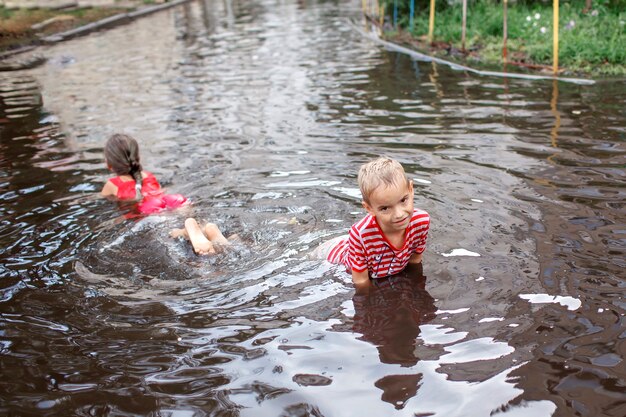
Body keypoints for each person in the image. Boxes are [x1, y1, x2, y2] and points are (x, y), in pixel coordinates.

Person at [324, 157, 430, 288]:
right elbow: (360, 282)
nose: (399, 214)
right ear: (369, 208)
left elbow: (415, 262)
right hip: (333, 255)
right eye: (385, 208)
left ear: (411, 189)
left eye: (403, 200)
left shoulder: (421, 222)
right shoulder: (360, 235)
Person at [101, 133, 189, 215]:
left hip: (147, 210)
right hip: (171, 200)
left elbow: (102, 198)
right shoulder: (148, 175)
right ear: (137, 157)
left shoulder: (112, 184)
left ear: (109, 164)